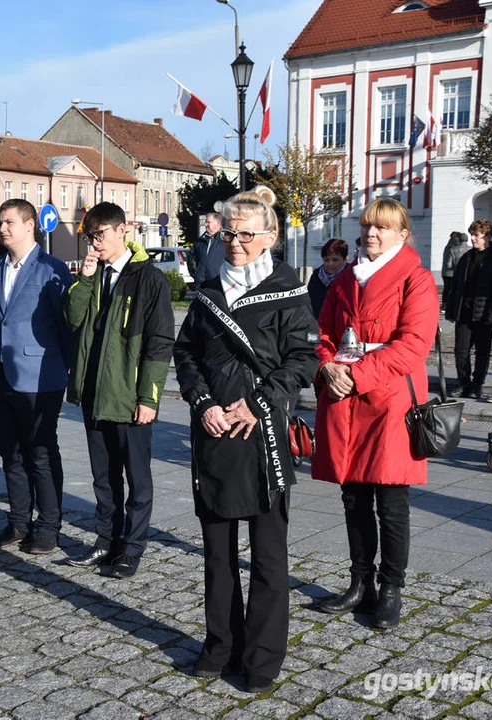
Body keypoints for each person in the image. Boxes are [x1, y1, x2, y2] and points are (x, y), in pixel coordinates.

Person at [173, 186, 317, 694]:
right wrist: (203, 403)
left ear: (270, 237)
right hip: (213, 430)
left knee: (269, 555)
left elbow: (304, 359)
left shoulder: (289, 291)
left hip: (263, 437)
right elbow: (186, 354)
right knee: (217, 551)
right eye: (231, 232)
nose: (236, 242)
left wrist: (256, 403)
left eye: (247, 234)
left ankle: (260, 656)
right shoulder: (208, 291)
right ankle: (220, 645)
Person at [313, 197, 439, 630]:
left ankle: (391, 589)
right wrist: (327, 366)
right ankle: (360, 582)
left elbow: (413, 345)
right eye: (367, 226)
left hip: (389, 399)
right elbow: (324, 332)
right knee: (353, 499)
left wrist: (358, 374)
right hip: (344, 396)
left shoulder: (417, 280)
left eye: (383, 227)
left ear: (402, 234)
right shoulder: (345, 277)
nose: (372, 234)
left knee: (390, 500)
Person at [63, 202, 174, 579]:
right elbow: (73, 319)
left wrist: (149, 398)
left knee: (136, 477)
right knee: (102, 476)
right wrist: (86, 278)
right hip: (95, 391)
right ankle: (105, 541)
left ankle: (132, 547)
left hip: (129, 396)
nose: (96, 243)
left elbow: (159, 342)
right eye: (91, 237)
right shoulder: (95, 275)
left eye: (102, 235)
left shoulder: (148, 279)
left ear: (122, 230)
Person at [0, 198, 74, 554]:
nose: (2, 228)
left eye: (9, 222)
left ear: (29, 225)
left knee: (41, 452)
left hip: (40, 376)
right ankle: (18, 522)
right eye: (1, 222)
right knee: (11, 453)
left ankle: (49, 526)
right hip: (1, 373)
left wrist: (61, 369)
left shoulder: (51, 268)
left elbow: (66, 324)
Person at [445, 220, 492, 401]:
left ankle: (477, 384)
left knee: (482, 351)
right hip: (464, 312)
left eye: (477, 235)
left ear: (487, 236)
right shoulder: (466, 257)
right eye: (472, 234)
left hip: (484, 313)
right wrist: (451, 308)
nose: (473, 238)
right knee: (461, 350)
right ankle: (463, 382)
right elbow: (456, 285)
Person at [306, 238, 349, 318]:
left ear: (345, 259)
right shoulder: (316, 276)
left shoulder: (351, 276)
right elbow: (309, 303)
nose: (330, 264)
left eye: (335, 260)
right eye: (326, 260)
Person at [192, 212, 224, 287]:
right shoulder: (200, 241)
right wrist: (196, 274)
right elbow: (192, 259)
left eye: (208, 222)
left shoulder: (225, 241)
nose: (205, 224)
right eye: (205, 222)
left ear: (218, 224)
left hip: (218, 283)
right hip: (201, 283)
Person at [440, 231, 469, 307]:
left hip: (445, 272)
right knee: (452, 289)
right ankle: (449, 304)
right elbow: (450, 263)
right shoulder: (453, 247)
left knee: (447, 288)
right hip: (452, 272)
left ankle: (445, 303)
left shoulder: (448, 246)